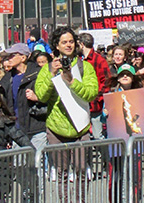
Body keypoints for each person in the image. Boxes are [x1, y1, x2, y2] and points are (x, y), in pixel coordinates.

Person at [35, 27, 98, 196]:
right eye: (64, 42)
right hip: (57, 128)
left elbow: (92, 93)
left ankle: (80, 200)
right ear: (56, 45)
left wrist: (72, 82)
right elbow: (41, 96)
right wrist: (52, 74)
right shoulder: (47, 68)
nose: (68, 45)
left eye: (71, 41)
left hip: (81, 128)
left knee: (81, 171)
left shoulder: (85, 67)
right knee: (61, 172)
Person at [5, 43, 48, 150]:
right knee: (20, 166)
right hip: (17, 130)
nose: (9, 59)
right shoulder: (7, 79)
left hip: (36, 128)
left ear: (23, 57)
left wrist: (37, 98)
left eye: (12, 55)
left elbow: (50, 98)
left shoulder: (38, 74)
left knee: (38, 163)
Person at [78, 33, 110, 140]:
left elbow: (106, 82)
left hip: (95, 105)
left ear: (82, 44)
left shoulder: (99, 60)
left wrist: (96, 98)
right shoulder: (79, 60)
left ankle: (105, 156)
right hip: (82, 105)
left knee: (98, 136)